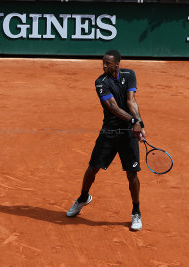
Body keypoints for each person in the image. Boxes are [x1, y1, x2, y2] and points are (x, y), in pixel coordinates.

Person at [66, 50, 146, 231]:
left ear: (117, 64)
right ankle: (83, 198)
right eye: (103, 63)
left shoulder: (129, 74)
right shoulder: (101, 82)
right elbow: (112, 107)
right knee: (92, 168)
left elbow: (131, 100)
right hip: (109, 133)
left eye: (107, 64)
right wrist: (134, 121)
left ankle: (136, 212)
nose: (104, 66)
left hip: (127, 135)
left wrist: (140, 122)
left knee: (132, 174)